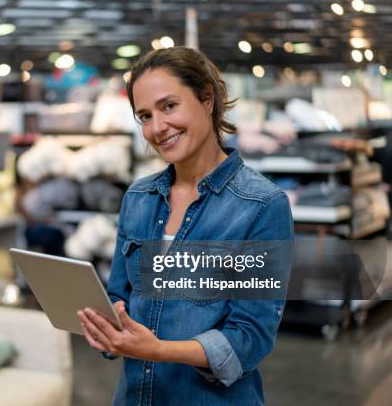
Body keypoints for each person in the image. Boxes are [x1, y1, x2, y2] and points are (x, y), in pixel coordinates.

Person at [77, 47, 294, 405]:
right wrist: (106, 324)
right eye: (144, 116)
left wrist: (159, 350)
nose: (157, 128)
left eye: (169, 106)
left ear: (207, 98)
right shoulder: (139, 198)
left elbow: (250, 338)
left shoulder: (261, 206)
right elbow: (119, 295)